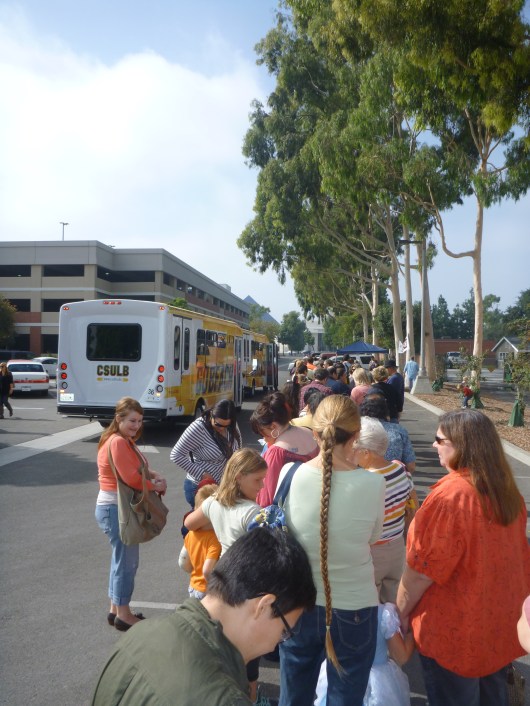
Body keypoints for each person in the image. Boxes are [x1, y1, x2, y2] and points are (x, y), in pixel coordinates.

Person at [92, 529, 317, 706]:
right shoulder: (225, 698)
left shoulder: (139, 634)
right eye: (284, 631)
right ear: (264, 606)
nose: (274, 645)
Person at [397, 409, 530, 706]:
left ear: (462, 445)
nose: (433, 445)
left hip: (454, 629)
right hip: (497, 623)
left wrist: (401, 611)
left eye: (439, 439)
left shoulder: (451, 496)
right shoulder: (506, 490)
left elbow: (422, 570)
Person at [278, 395, 386, 706]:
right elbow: (374, 535)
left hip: (298, 604)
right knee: (346, 699)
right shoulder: (374, 484)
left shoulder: (289, 474)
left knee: (293, 697)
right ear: (355, 436)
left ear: (314, 432)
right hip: (355, 608)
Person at [184, 447, 268, 701]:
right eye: (257, 480)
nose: (262, 486)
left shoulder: (213, 502)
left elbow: (188, 524)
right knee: (249, 646)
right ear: (239, 476)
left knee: (225, 641)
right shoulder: (252, 513)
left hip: (222, 581)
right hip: (249, 584)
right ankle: (252, 696)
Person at [95, 397, 167, 631]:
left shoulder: (118, 439)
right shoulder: (118, 442)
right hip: (117, 509)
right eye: (132, 420)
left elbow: (138, 470)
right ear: (118, 419)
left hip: (113, 507)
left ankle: (115, 609)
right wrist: (155, 485)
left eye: (139, 420)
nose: (136, 425)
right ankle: (124, 615)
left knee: (120, 560)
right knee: (127, 563)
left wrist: (153, 475)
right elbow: (132, 478)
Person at [352, 417, 412, 603]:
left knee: (372, 601)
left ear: (366, 452)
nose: (352, 454)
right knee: (392, 601)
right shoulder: (400, 469)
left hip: (374, 551)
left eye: (354, 449)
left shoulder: (366, 482)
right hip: (396, 546)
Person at [314, 602, 415, 706]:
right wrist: (410, 633)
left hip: (341, 676)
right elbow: (401, 657)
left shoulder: (331, 610)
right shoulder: (384, 613)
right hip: (379, 684)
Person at [170, 399, 242, 509]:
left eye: (226, 426)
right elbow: (176, 455)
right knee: (200, 524)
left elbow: (239, 450)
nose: (222, 429)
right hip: (202, 487)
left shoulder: (231, 424)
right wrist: (203, 474)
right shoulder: (198, 427)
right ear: (211, 414)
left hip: (223, 486)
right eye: (218, 425)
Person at [250, 392, 318, 507]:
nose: (263, 438)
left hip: (290, 513)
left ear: (273, 427)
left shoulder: (276, 452)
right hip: (314, 504)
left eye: (263, 432)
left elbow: (267, 498)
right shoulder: (310, 433)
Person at [179, 483, 221, 600]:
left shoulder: (190, 534)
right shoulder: (215, 539)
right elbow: (207, 570)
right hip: (206, 590)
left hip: (193, 586)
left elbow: (183, 562)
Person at [359, 394, 416, 473]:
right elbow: (411, 466)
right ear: (385, 409)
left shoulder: (356, 430)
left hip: (365, 479)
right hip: (394, 477)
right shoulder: (399, 430)